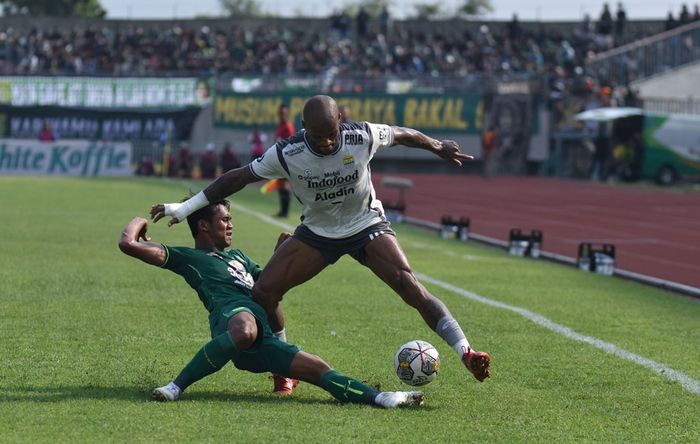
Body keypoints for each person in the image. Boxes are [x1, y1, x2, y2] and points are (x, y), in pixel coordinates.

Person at [150, 95, 491, 387]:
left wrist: (437, 146)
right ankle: (283, 368)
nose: (327, 142)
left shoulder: (361, 135)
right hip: (318, 233)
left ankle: (465, 351)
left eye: (331, 135)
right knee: (264, 293)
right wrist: (186, 207)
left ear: (340, 122)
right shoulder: (287, 152)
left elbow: (403, 134)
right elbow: (238, 178)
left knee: (410, 286)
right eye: (318, 136)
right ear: (303, 128)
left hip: (366, 225)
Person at [119, 200, 424, 408]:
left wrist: (281, 254)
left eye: (230, 220)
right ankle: (175, 387)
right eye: (225, 220)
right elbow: (128, 243)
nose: (230, 226)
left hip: (260, 335)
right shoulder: (190, 258)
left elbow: (268, 284)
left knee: (319, 368)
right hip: (232, 320)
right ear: (203, 227)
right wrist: (140, 220)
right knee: (245, 327)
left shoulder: (239, 257)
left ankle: (383, 398)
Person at [274, 104, 295, 218]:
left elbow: (290, 143)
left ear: (287, 114)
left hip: (285, 159)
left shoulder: (288, 126)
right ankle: (282, 210)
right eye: (281, 113)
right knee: (280, 185)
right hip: (278, 158)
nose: (282, 115)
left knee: (285, 185)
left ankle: (285, 211)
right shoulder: (280, 126)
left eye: (284, 113)